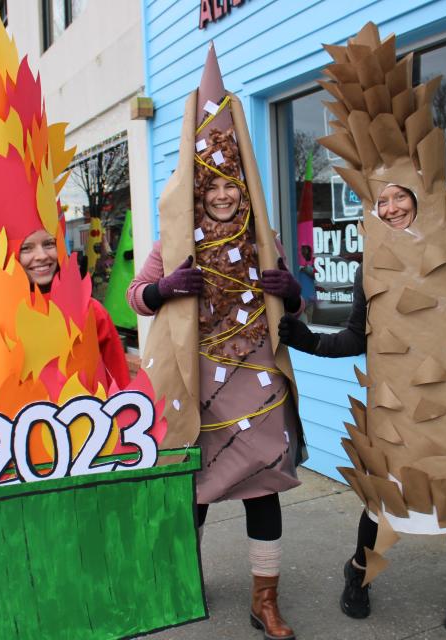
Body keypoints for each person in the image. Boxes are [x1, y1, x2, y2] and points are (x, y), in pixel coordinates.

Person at [279, 185, 446, 640]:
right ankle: (359, 570)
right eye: (382, 201)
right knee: (383, 500)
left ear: (423, 198)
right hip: (400, 406)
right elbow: (357, 337)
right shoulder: (372, 267)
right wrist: (311, 341)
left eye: (401, 196)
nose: (392, 208)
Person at [128, 44, 305, 640]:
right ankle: (181, 581)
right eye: (215, 188)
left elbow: (290, 300)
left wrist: (295, 292)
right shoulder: (176, 239)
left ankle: (265, 601)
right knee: (194, 491)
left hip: (257, 373)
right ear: (200, 189)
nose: (224, 195)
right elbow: (137, 294)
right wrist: (165, 289)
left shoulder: (263, 234)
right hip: (197, 379)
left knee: (264, 485)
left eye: (232, 186)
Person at [0, 227, 130, 412]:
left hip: (89, 435)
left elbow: (119, 383)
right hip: (10, 437)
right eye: (26, 248)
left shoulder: (91, 310)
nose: (42, 255)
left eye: (49, 243)